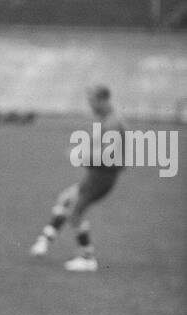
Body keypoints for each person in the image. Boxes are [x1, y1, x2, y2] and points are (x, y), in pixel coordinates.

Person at [30, 84, 126, 271]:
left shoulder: (112, 124)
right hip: (97, 175)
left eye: (92, 101)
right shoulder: (107, 120)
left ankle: (87, 258)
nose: (90, 105)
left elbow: (109, 157)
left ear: (103, 100)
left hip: (101, 178)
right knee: (65, 199)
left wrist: (80, 156)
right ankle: (43, 242)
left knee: (75, 214)